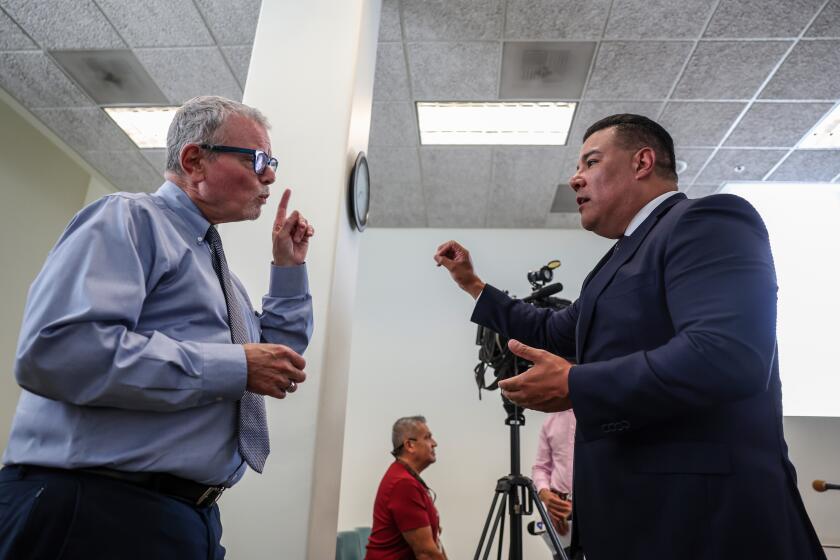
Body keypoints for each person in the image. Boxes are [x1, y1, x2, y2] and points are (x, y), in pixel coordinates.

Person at [434, 114, 825, 559]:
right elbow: (553, 330)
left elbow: (724, 353)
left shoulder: (707, 220)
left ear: (642, 161)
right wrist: (472, 284)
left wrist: (575, 385)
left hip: (704, 523)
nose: (574, 178)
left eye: (591, 161)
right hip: (635, 521)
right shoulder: (615, 260)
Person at [0, 96, 315, 560]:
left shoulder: (220, 275)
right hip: (97, 510)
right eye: (259, 161)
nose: (270, 176)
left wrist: (287, 270)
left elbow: (270, 362)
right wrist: (234, 366)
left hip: (187, 517)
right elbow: (60, 352)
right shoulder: (128, 219)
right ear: (194, 161)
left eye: (273, 163)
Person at [366, 416, 446, 560]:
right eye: (427, 438)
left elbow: (434, 545)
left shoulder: (407, 478)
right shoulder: (403, 484)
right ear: (409, 445)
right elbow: (426, 554)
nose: (434, 443)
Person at [532, 410, 575, 537]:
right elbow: (541, 467)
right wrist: (544, 493)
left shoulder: (602, 413)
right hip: (560, 510)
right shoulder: (550, 422)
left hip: (599, 506)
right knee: (564, 556)